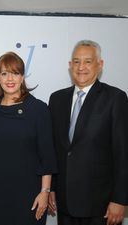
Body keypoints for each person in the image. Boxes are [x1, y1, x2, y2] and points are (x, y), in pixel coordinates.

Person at [0, 52, 58, 225]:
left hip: (30, 195)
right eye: (4, 73)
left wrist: (45, 191)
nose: (10, 79)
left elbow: (47, 155)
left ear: (22, 76)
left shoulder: (38, 109)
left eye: (15, 73)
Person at [48, 40, 128, 225]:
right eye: (76, 61)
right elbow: (54, 149)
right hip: (65, 201)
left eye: (88, 61)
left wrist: (120, 199)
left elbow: (123, 152)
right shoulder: (57, 99)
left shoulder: (115, 98)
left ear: (100, 65)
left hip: (101, 206)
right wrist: (51, 188)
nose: (81, 67)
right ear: (70, 66)